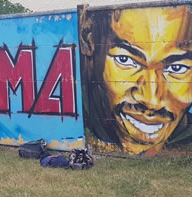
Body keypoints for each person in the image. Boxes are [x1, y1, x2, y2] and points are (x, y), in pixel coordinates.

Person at [79, 4, 192, 156]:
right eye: (125, 60)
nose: (151, 101)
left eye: (177, 69)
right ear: (89, 42)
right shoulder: (81, 118)